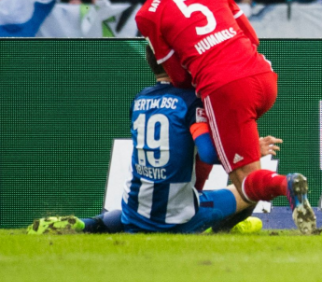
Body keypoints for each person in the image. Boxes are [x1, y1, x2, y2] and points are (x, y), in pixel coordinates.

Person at [122, 0, 317, 233]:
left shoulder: (147, 13)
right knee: (209, 127)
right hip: (263, 75)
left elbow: (175, 74)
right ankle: (211, 214)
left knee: (247, 183)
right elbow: (251, 37)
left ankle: (285, 185)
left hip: (225, 87)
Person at [27, 48, 272, 236]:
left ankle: (86, 224)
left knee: (141, 209)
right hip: (175, 216)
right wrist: (250, 150)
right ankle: (215, 229)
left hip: (136, 206)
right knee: (247, 190)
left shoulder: (140, 99)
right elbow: (208, 153)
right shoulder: (189, 101)